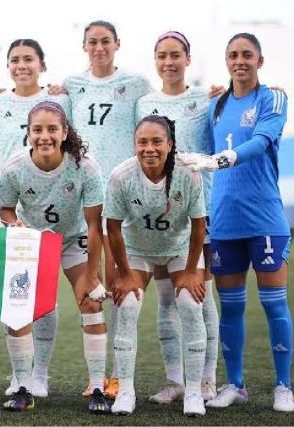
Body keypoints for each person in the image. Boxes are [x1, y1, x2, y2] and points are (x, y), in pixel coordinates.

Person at [178, 32, 294, 413]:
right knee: (230, 308)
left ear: (259, 61)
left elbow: (261, 141)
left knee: (274, 304)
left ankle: (283, 386)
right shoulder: (216, 104)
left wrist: (220, 160)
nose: (240, 60)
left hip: (265, 219)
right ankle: (235, 384)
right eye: (233, 55)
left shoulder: (273, 98)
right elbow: (189, 140)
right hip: (224, 223)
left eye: (247, 54)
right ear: (226, 62)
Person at [0, 38, 72, 398]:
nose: (21, 65)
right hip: (9, 210)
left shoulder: (61, 99)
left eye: (28, 59)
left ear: (42, 64)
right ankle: (20, 375)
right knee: (12, 299)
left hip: (51, 208)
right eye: (14, 60)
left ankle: (41, 373)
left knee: (45, 298)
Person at [0, 101, 108, 413]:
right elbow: (5, 208)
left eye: (51, 129)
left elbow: (95, 223)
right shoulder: (13, 168)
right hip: (33, 239)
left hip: (74, 238)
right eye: (37, 130)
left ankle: (98, 387)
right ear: (28, 133)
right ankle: (25, 384)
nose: (44, 136)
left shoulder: (85, 167)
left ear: (64, 133)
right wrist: (12, 223)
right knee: (20, 307)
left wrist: (93, 272)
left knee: (91, 301)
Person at [61, 20, 153, 399]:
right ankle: (96, 376)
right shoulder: (71, 85)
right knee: (90, 285)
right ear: (84, 46)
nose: (98, 47)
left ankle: (118, 374)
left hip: (119, 196)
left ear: (117, 44)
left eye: (105, 41)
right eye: (92, 42)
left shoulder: (136, 83)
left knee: (117, 285)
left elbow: (156, 116)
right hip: (84, 195)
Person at [134, 31, 219, 403]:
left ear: (188, 58)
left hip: (201, 209)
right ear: (155, 60)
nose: (168, 62)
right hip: (159, 214)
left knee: (201, 297)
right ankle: (175, 381)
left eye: (175, 54)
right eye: (161, 55)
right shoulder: (144, 103)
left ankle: (206, 380)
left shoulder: (207, 98)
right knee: (167, 300)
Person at [105, 115, 208, 416]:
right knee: (126, 306)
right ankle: (125, 390)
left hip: (178, 248)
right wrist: (123, 274)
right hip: (137, 249)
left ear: (170, 144)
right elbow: (112, 227)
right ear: (134, 145)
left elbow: (199, 224)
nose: (149, 148)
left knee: (190, 304)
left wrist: (190, 271)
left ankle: (193, 392)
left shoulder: (189, 174)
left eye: (156, 141)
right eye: (142, 142)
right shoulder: (121, 176)